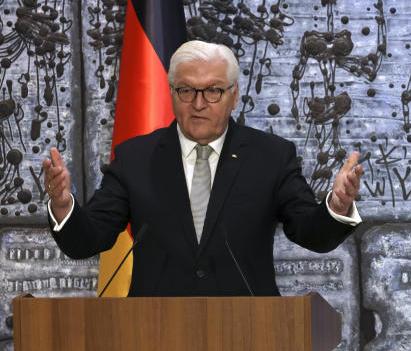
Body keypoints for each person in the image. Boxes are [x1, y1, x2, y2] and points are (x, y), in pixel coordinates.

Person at [41, 40, 363, 296]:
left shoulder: (270, 157)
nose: (198, 103)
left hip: (251, 338)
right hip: (151, 339)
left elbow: (311, 233)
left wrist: (335, 207)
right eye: (186, 90)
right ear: (171, 94)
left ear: (234, 96)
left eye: (213, 91)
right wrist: (63, 205)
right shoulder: (136, 157)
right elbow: (89, 239)